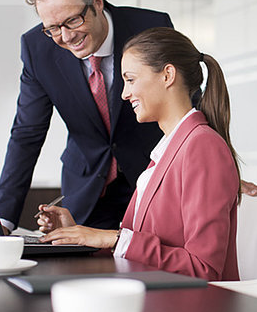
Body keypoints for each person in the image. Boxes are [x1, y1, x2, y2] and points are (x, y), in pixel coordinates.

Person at [0, 0, 257, 234]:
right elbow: (26, 133)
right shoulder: (37, 48)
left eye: (73, 20)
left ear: (97, 2)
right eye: (52, 28)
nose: (66, 36)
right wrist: (3, 221)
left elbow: (188, 105)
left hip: (156, 180)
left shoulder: (149, 27)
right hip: (88, 191)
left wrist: (217, 171)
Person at [38, 27, 240, 281]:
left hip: (190, 309)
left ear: (167, 75)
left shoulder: (202, 146)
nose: (124, 93)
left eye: (130, 80)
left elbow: (203, 268)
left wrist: (111, 237)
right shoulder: (168, 150)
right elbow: (136, 251)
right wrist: (79, 236)